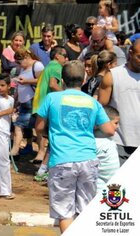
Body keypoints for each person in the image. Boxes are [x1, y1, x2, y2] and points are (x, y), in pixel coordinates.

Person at [35, 60, 115, 233]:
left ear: (62, 80)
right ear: (84, 79)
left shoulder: (52, 98)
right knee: (85, 210)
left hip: (61, 160)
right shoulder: (92, 102)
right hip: (88, 160)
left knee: (65, 213)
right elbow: (109, 129)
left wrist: (48, 133)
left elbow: (39, 127)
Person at [98, 38, 140, 166]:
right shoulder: (112, 75)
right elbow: (101, 108)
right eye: (139, 56)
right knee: (118, 185)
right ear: (131, 53)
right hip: (118, 142)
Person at [32, 46, 68, 174]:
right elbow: (53, 85)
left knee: (53, 141)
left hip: (41, 107)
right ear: (57, 56)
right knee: (56, 140)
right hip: (47, 108)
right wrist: (68, 95)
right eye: (65, 56)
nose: (66, 59)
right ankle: (45, 171)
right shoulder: (56, 67)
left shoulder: (49, 66)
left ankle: (43, 170)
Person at [10, 47, 44, 157]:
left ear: (26, 57)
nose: (19, 65)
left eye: (19, 62)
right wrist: (15, 100)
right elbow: (19, 86)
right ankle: (15, 151)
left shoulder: (37, 65)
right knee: (20, 126)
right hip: (23, 102)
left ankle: (40, 152)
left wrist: (27, 82)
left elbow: (42, 81)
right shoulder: (23, 69)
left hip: (34, 101)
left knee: (37, 128)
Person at [94, 105, 120, 193]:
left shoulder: (110, 141)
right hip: (97, 188)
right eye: (116, 123)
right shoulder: (94, 142)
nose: (118, 126)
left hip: (111, 187)